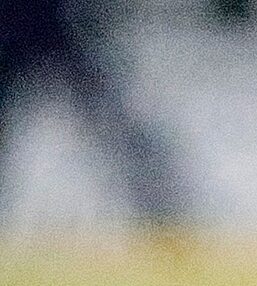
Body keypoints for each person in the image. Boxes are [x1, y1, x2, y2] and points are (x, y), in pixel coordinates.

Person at [0, 0, 183, 230]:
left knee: (116, 128)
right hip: (33, 26)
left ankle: (167, 221)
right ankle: (166, 219)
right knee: (115, 126)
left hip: (55, 24)